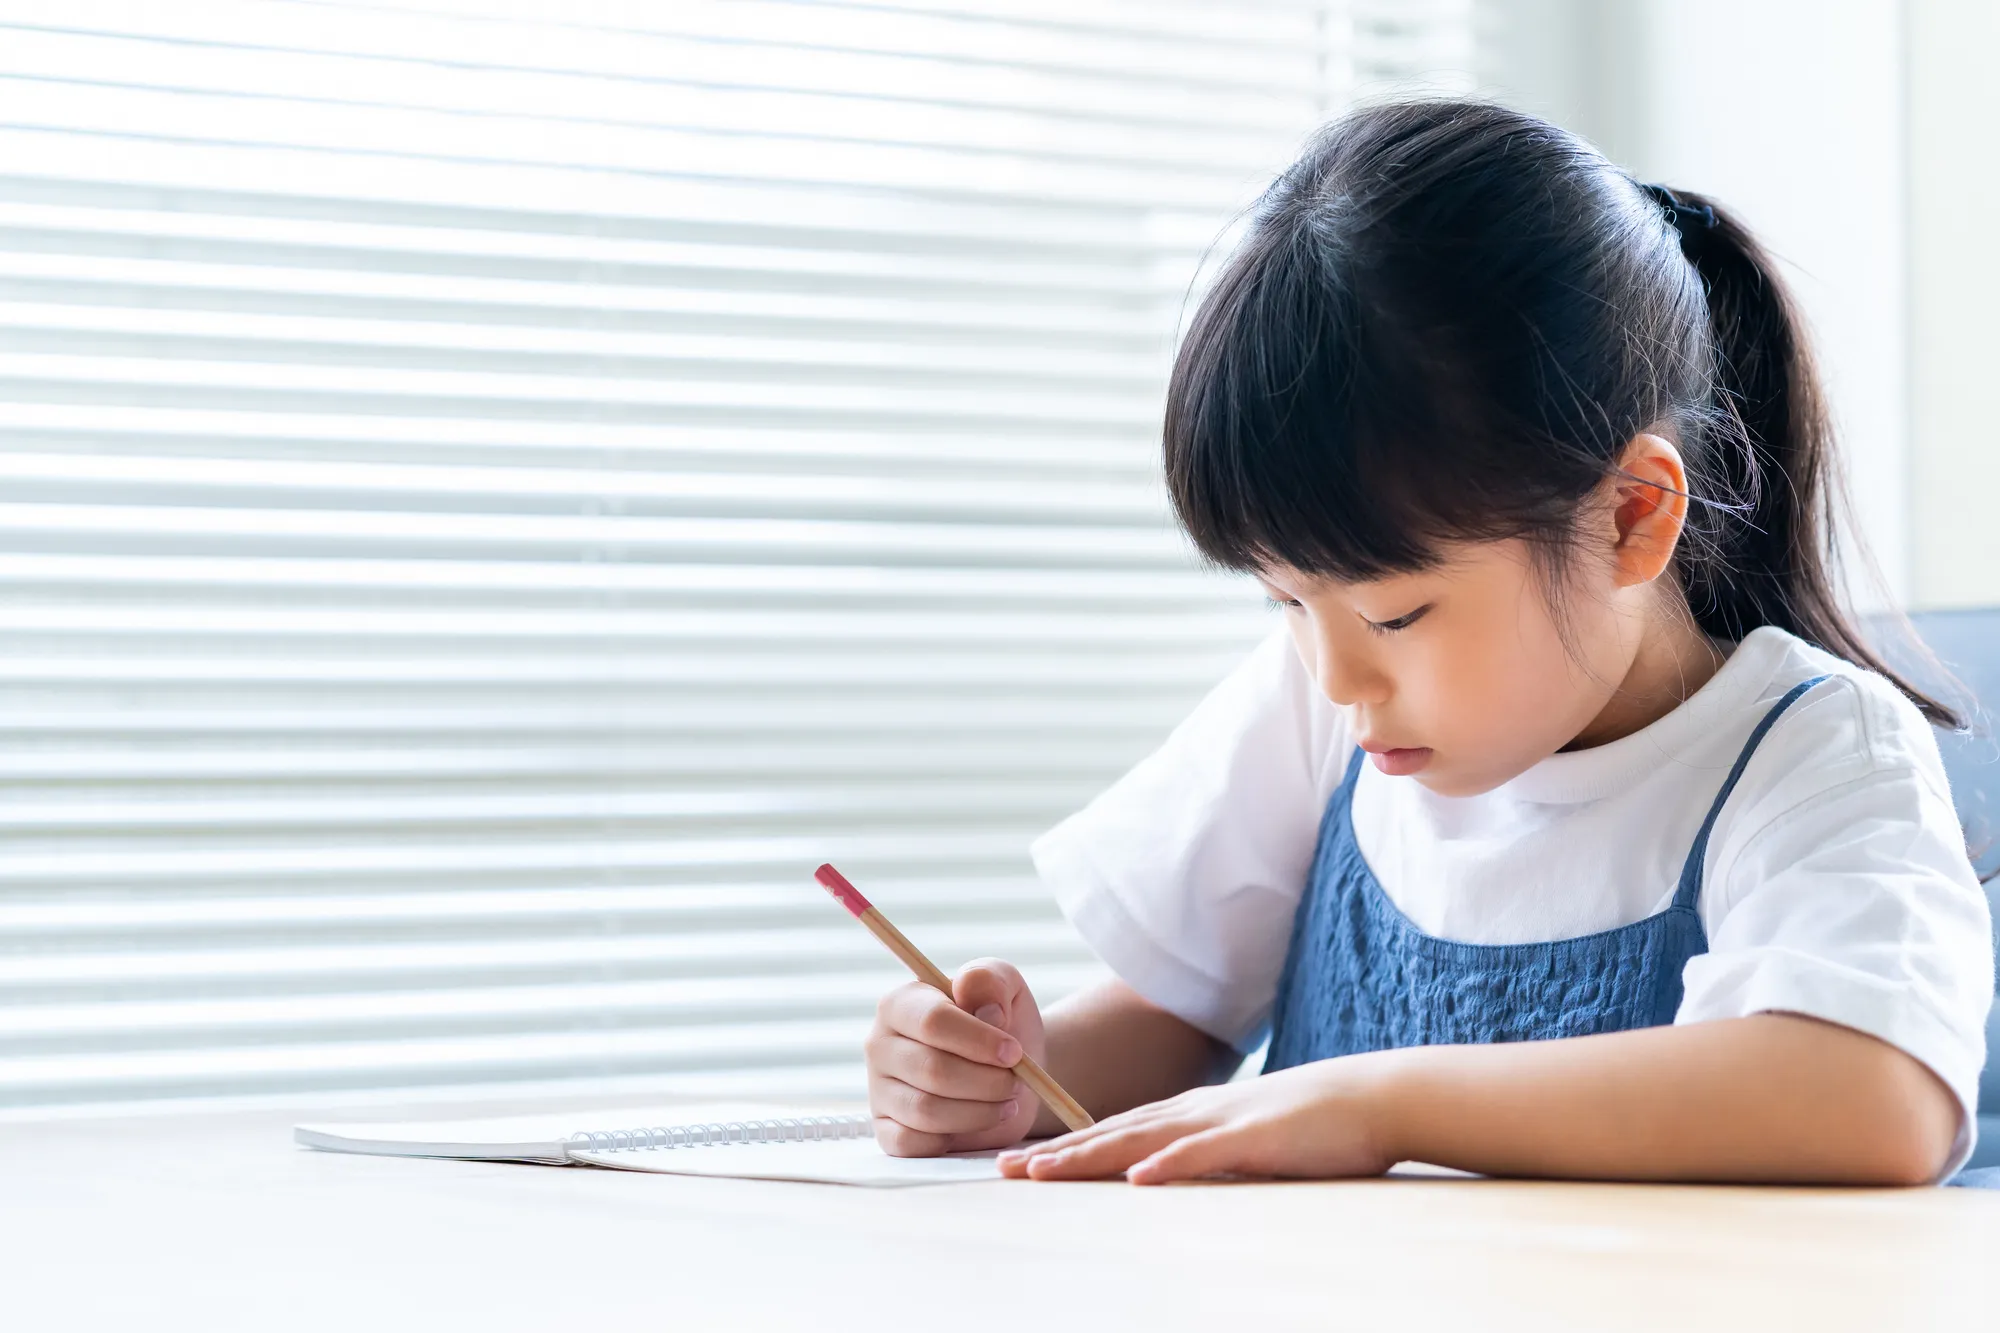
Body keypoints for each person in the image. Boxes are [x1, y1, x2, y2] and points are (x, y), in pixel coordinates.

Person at [863, 100, 1994, 1185]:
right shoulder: (1318, 700)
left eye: (1394, 614)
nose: (1337, 674)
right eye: (1284, 603)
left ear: (1630, 517)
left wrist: (1378, 1104)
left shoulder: (1809, 752)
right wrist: (1012, 1078)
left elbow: (1873, 1093)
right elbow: (1174, 1013)